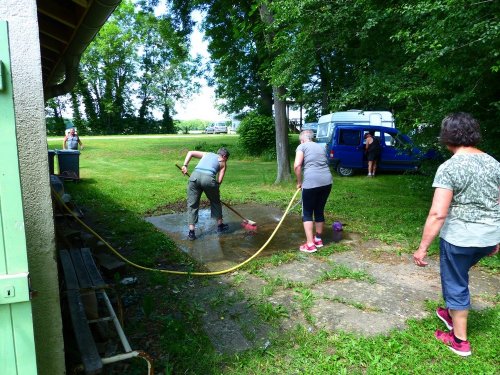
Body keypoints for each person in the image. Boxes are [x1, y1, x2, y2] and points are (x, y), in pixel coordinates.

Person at [413, 112, 500, 357]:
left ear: (447, 137)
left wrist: (422, 248)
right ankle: (451, 311)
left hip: (460, 239)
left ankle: (459, 341)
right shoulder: (494, 163)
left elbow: (438, 214)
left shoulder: (449, 167)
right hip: (488, 238)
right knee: (459, 274)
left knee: (456, 283)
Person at [294, 129, 333, 253]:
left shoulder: (302, 146)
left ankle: (310, 245)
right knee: (319, 210)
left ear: (302, 139)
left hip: (311, 182)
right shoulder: (321, 147)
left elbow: (297, 166)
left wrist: (299, 182)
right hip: (327, 181)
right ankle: (318, 239)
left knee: (307, 213)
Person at [181, 148, 230, 240]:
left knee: (192, 205)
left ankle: (191, 233)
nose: (226, 160)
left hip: (194, 177)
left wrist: (185, 165)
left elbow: (190, 152)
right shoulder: (223, 162)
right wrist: (215, 190)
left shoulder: (207, 154)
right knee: (215, 201)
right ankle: (220, 226)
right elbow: (219, 180)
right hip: (209, 179)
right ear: (224, 156)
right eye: (227, 158)